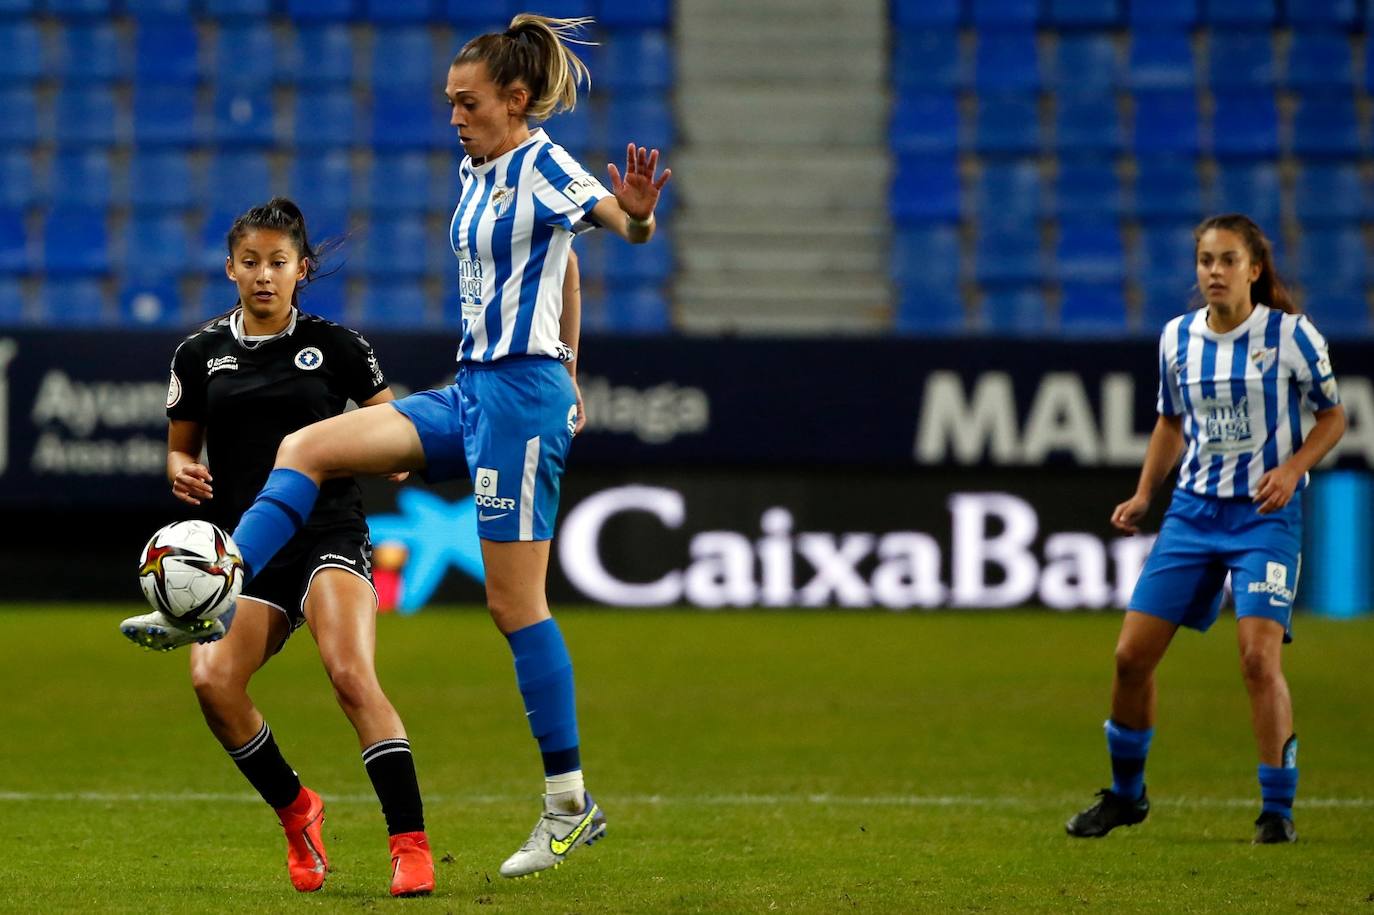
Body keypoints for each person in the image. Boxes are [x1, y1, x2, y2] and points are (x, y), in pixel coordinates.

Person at [192, 14, 670, 879]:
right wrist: (572, 359)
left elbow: (612, 226)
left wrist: (633, 222)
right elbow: (559, 261)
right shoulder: (477, 169)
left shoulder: (544, 163)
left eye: (468, 103)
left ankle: (570, 803)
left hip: (520, 403)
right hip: (470, 390)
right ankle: (218, 584)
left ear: (515, 100)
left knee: (514, 606)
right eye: (451, 101)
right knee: (307, 445)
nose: (454, 116)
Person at [119, 199, 435, 897]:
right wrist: (181, 470)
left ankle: (409, 844)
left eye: (278, 262)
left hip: (328, 533)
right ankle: (298, 810)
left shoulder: (340, 346)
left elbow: (392, 427)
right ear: (230, 269)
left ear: (302, 270)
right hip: (248, 552)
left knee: (349, 673)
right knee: (212, 682)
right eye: (251, 262)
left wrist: (395, 454)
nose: (265, 274)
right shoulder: (197, 355)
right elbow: (180, 451)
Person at [1065, 214, 1346, 845]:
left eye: (1227, 260)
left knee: (1257, 658)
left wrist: (1292, 469)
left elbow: (1333, 418)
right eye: (1205, 261)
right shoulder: (1177, 337)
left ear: (1254, 269)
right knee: (1130, 658)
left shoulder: (1292, 336)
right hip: (1193, 514)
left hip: (1263, 517)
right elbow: (1170, 422)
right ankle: (1126, 796)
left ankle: (1277, 810)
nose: (1214, 272)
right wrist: (1145, 494)